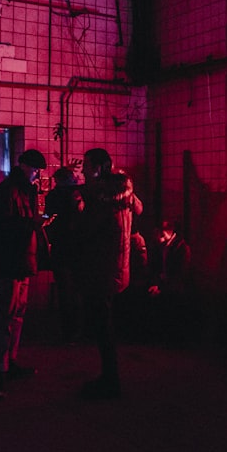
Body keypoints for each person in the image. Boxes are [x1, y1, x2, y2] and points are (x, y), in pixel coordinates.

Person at [76, 147, 142, 399]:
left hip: (101, 268)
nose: (83, 169)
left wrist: (77, 212)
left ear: (100, 167)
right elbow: (140, 209)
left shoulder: (101, 199)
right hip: (117, 267)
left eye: (86, 164)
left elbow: (86, 231)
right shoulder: (123, 196)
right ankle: (109, 377)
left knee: (103, 326)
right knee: (106, 323)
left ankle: (110, 381)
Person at [0, 148, 46, 400]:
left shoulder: (21, 190)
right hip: (11, 262)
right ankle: (1, 368)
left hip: (19, 260)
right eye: (34, 169)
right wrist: (33, 223)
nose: (37, 174)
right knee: (6, 315)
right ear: (22, 166)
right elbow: (3, 227)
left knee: (15, 314)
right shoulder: (8, 191)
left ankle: (9, 361)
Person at [43, 166, 84, 344]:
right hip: (79, 249)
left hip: (61, 249)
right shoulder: (79, 195)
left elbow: (51, 221)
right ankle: (79, 330)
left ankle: (68, 331)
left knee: (65, 292)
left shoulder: (53, 196)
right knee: (78, 291)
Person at [146, 220, 195, 345]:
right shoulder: (164, 247)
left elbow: (180, 274)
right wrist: (156, 284)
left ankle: (171, 339)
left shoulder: (182, 248)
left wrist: (162, 288)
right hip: (165, 285)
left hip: (175, 288)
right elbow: (156, 267)